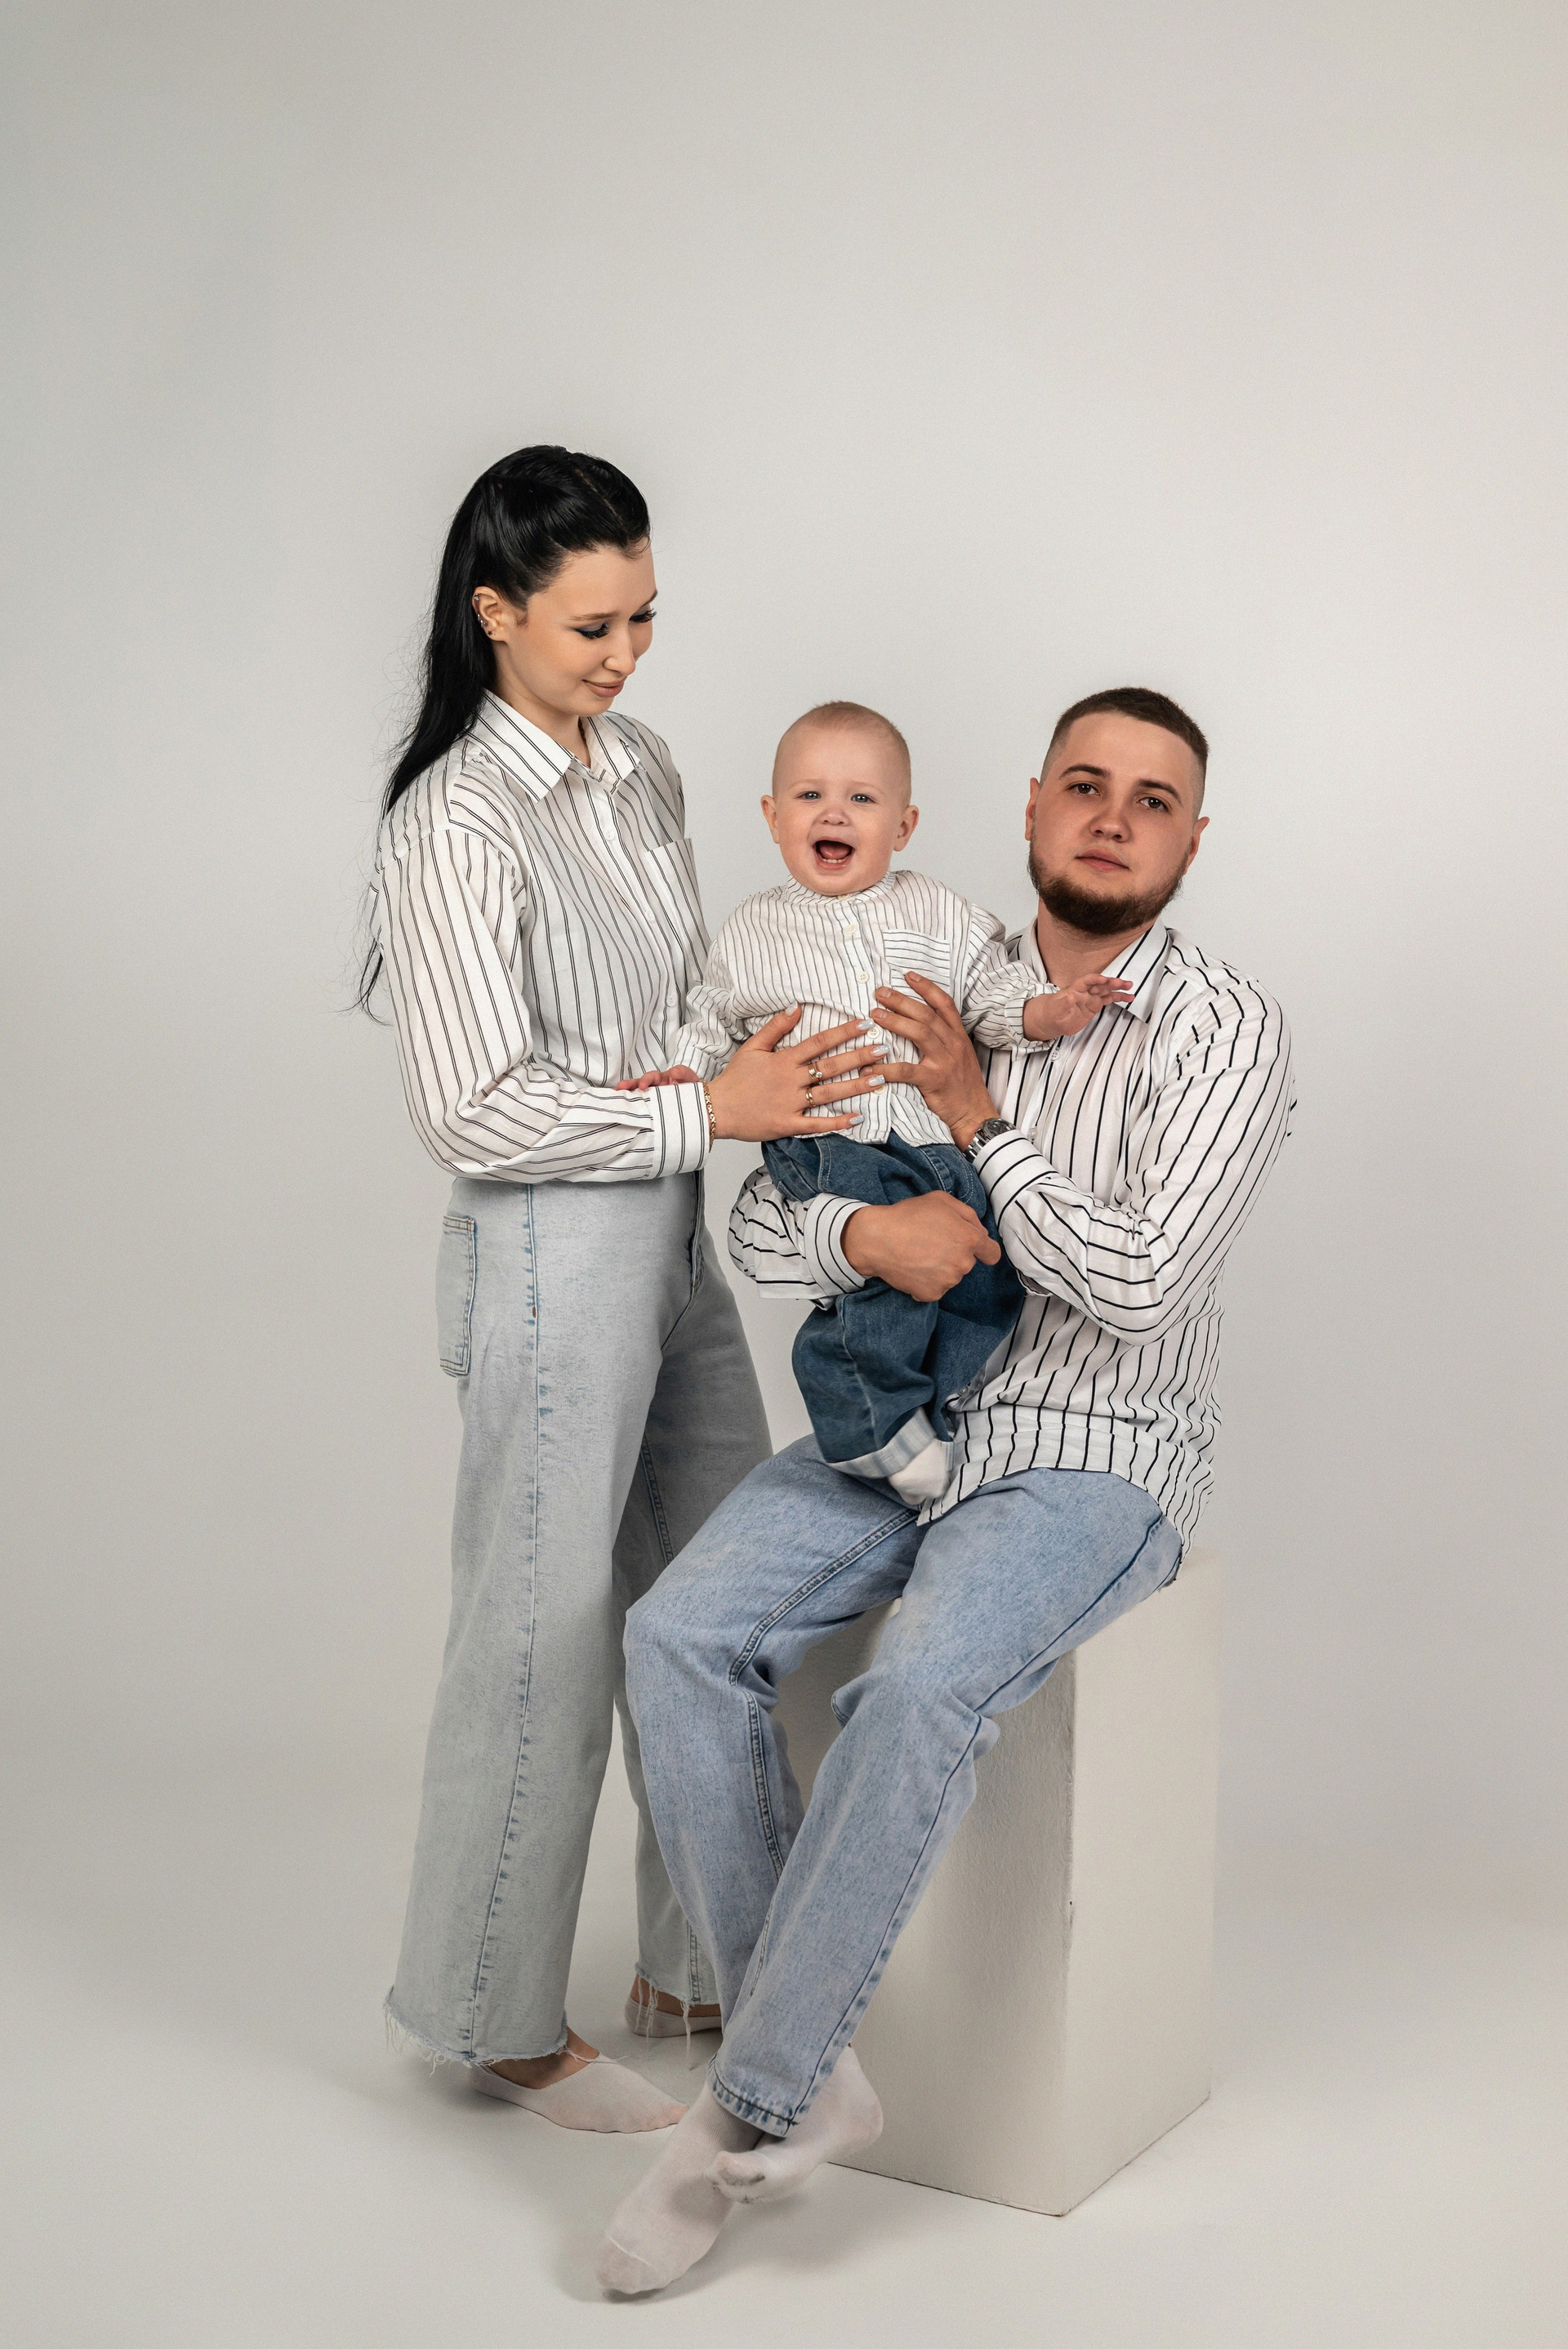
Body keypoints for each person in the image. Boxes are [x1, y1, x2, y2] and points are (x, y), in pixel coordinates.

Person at [597, 685, 1294, 2287]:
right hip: (905, 1415)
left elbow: (1140, 1283)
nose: (1114, 816)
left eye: (1154, 799)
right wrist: (865, 1231)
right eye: (1087, 784)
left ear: (1192, 839)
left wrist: (982, 1126)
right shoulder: (921, 966)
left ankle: (746, 2106)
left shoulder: (1223, 1028)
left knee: (916, 1688)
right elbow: (766, 1216)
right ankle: (811, 2055)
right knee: (676, 1636)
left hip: (1092, 1450)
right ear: (1034, 804)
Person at [368, 446, 886, 2133]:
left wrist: (770, 1052)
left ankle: (690, 1963)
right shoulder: (453, 822)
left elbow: (673, 997)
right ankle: (493, 2016)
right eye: (592, 625)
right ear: (495, 613)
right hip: (546, 1246)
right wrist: (701, 1107)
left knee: (718, 1588)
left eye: (645, 615)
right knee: (542, 1629)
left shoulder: (642, 765)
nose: (627, 653)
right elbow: (471, 1106)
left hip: (664, 1225)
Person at [618, 699, 1134, 1503]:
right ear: (773, 817)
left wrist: (1048, 1011)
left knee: (985, 1268)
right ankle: (865, 1417)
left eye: (861, 797)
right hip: (829, 1136)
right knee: (890, 1265)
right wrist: (686, 1078)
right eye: (810, 795)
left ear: (903, 825)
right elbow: (713, 1021)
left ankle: (932, 1409)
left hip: (933, 1141)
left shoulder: (941, 911)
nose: (834, 813)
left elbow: (990, 996)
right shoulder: (754, 928)